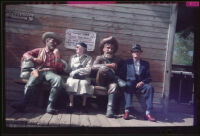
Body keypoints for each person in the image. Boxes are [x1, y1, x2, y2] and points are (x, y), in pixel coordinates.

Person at [11, 32, 64, 114]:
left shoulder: (56, 53)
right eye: (53, 41)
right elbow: (25, 54)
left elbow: (60, 69)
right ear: (47, 41)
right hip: (39, 71)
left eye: (56, 42)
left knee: (58, 79)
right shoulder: (39, 50)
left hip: (51, 72)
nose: (55, 43)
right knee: (31, 82)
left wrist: (57, 56)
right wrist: (34, 59)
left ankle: (50, 106)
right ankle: (23, 104)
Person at [119, 44, 156, 121]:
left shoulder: (145, 64)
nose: (136, 53)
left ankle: (148, 113)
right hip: (130, 83)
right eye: (134, 51)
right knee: (128, 85)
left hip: (141, 84)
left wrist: (142, 82)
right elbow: (121, 74)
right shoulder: (127, 63)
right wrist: (123, 81)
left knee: (149, 88)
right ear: (132, 53)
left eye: (138, 51)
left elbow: (149, 78)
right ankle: (127, 111)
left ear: (140, 53)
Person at [92, 36, 124, 118]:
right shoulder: (99, 58)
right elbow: (93, 67)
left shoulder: (117, 59)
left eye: (112, 49)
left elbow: (121, 71)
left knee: (114, 86)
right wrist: (108, 65)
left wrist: (116, 67)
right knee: (103, 68)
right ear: (103, 49)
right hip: (100, 80)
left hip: (110, 82)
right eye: (108, 48)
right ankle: (117, 80)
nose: (110, 50)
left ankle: (109, 111)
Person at [65, 42, 94, 113]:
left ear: (83, 49)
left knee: (84, 84)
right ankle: (71, 104)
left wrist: (77, 71)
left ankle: (83, 105)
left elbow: (88, 69)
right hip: (73, 77)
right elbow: (69, 68)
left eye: (78, 47)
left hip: (84, 77)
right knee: (71, 82)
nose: (76, 48)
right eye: (76, 47)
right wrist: (64, 66)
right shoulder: (72, 57)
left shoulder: (89, 58)